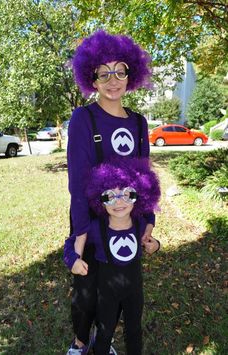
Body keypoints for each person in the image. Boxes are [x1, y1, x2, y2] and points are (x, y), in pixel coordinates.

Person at [64, 30, 160, 354]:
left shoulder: (139, 122)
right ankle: (79, 343)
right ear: (92, 77)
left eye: (120, 70)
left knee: (118, 286)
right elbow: (77, 184)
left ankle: (101, 339)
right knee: (87, 290)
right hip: (91, 220)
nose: (113, 79)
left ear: (130, 73)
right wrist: (79, 235)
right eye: (103, 73)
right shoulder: (83, 118)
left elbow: (144, 176)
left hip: (125, 220)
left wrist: (147, 220)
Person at [66, 156, 161, 355]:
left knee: (135, 330)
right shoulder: (95, 228)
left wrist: (156, 245)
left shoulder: (139, 224)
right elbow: (72, 242)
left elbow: (151, 242)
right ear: (100, 199)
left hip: (135, 291)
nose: (119, 202)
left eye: (127, 194)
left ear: (140, 195)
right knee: (104, 330)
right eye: (110, 195)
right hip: (106, 293)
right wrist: (73, 260)